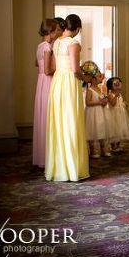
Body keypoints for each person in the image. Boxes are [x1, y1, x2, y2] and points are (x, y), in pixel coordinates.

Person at [45, 13, 90, 181]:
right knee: (71, 121)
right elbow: (75, 70)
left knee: (59, 122)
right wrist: (87, 79)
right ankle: (72, 168)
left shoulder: (56, 42)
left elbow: (52, 68)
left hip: (57, 83)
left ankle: (59, 167)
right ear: (77, 28)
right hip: (69, 84)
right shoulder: (74, 43)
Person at [32, 18, 58, 167]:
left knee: (42, 115)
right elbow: (48, 70)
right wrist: (59, 68)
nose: (57, 33)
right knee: (48, 116)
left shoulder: (40, 46)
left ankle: (41, 155)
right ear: (51, 31)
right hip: (47, 81)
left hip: (40, 81)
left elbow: (37, 63)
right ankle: (48, 156)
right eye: (55, 30)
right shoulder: (48, 47)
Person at [81, 60, 110, 159]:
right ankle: (93, 150)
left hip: (100, 112)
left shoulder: (100, 89)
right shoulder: (89, 90)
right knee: (93, 131)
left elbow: (103, 97)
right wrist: (99, 102)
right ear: (92, 79)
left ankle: (103, 149)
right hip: (93, 113)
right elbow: (88, 102)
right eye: (98, 77)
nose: (100, 78)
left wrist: (105, 100)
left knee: (101, 129)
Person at [105, 76, 129, 152]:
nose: (118, 85)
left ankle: (118, 145)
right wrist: (115, 96)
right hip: (113, 115)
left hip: (121, 115)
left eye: (119, 83)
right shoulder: (110, 95)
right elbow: (113, 103)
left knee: (120, 130)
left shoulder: (120, 95)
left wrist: (124, 104)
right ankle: (112, 146)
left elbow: (120, 102)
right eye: (115, 84)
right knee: (113, 131)